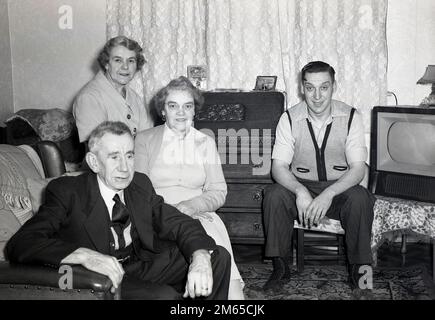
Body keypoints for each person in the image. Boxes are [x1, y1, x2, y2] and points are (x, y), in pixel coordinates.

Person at [6, 121, 231, 300]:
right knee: (165, 297)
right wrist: (84, 256)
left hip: (136, 265)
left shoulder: (139, 184)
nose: (124, 167)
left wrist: (200, 257)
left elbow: (178, 221)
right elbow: (22, 243)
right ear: (94, 162)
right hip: (96, 276)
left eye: (129, 155)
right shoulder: (67, 191)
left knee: (217, 256)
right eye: (114, 157)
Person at [262, 61, 375, 298]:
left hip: (340, 189)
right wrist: (300, 191)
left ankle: (361, 273)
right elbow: (278, 167)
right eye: (310, 87)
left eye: (324, 87)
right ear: (302, 88)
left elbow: (358, 169)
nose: (317, 96)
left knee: (361, 198)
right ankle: (280, 268)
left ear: (334, 86)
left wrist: (329, 193)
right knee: (273, 194)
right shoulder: (289, 118)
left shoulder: (352, 116)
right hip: (302, 187)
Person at [134, 76, 245, 300]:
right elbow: (138, 191)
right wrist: (170, 211)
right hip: (157, 213)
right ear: (162, 110)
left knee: (212, 235)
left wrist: (190, 206)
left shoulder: (206, 142)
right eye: (173, 106)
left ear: (195, 111)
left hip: (199, 212)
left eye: (188, 106)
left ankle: (231, 297)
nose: (181, 112)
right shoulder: (144, 140)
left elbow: (218, 191)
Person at [73, 36, 153, 144]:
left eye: (131, 61)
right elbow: (98, 150)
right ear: (106, 63)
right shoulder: (89, 98)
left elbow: (147, 139)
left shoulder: (134, 97)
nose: (125, 67)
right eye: (118, 60)